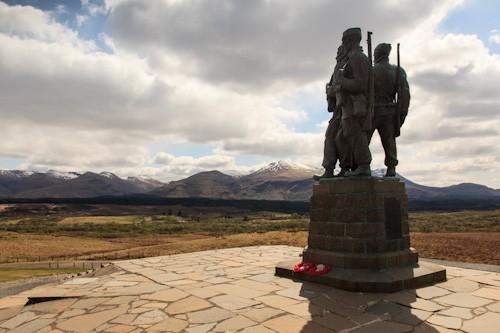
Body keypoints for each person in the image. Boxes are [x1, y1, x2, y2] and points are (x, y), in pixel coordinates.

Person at [334, 27, 372, 177]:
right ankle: (349, 167)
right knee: (342, 137)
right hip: (348, 106)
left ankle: (363, 165)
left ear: (349, 41)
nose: (343, 45)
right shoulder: (352, 58)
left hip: (355, 105)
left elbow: (360, 84)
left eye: (344, 42)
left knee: (356, 134)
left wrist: (341, 81)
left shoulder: (357, 58)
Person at [370, 43, 410, 177]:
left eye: (375, 53)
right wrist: (402, 113)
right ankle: (391, 167)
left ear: (378, 54)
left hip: (373, 110)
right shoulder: (398, 71)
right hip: (390, 111)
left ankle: (361, 164)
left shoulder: (371, 71)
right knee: (389, 141)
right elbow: (404, 95)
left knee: (364, 139)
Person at [314, 45, 349, 180]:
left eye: (339, 52)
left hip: (349, 108)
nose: (337, 56)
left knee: (342, 139)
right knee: (330, 137)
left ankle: (345, 168)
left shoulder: (351, 65)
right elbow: (333, 94)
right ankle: (329, 169)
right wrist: (330, 92)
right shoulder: (339, 68)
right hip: (339, 110)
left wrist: (331, 90)